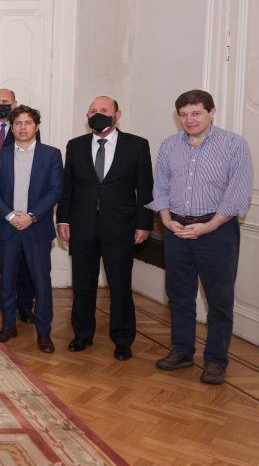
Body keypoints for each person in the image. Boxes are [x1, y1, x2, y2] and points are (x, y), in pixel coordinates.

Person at [147, 89, 252, 385]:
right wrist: (166, 219)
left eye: (196, 113)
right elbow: (161, 186)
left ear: (211, 112)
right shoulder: (169, 146)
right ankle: (182, 351)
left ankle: (216, 361)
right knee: (179, 295)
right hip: (177, 230)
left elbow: (237, 194)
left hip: (216, 232)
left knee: (219, 299)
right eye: (183, 115)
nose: (189, 120)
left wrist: (208, 227)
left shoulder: (234, 146)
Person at [57, 96, 153, 361]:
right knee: (82, 284)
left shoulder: (136, 145)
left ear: (117, 115)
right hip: (82, 227)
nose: (97, 114)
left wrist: (144, 224)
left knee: (120, 285)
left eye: (103, 110)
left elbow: (145, 188)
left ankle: (122, 339)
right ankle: (82, 334)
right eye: (92, 110)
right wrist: (63, 219)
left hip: (121, 228)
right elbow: (68, 187)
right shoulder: (75, 146)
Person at [0, 106, 63, 353]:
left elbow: (55, 191)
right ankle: (9, 326)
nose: (22, 127)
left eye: (27, 122)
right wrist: (10, 215)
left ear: (36, 126)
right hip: (8, 228)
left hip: (36, 229)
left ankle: (44, 333)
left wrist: (31, 216)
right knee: (7, 282)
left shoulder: (51, 155)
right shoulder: (0, 156)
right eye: (17, 123)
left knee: (41, 283)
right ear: (11, 127)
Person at [0, 88, 40, 322]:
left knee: (21, 261)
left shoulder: (25, 131)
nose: (1, 105)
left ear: (14, 103)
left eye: (5, 102)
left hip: (18, 212)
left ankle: (24, 306)